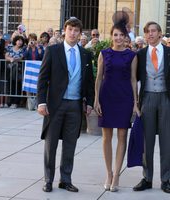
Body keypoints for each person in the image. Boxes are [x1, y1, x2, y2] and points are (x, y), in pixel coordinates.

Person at [37, 17, 94, 193]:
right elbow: (43, 78)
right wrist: (41, 102)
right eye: (70, 29)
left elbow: (89, 81)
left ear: (80, 33)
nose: (73, 33)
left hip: (75, 105)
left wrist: (90, 102)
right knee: (51, 144)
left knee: (70, 144)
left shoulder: (85, 54)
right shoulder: (53, 51)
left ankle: (66, 179)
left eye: (76, 30)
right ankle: (48, 180)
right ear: (65, 30)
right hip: (56, 105)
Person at [94, 20, 139, 192]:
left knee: (122, 136)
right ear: (111, 36)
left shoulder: (131, 55)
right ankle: (109, 173)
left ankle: (117, 175)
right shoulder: (104, 53)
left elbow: (133, 80)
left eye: (121, 35)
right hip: (107, 96)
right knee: (106, 137)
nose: (118, 38)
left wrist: (135, 103)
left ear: (126, 37)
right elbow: (99, 78)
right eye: (115, 35)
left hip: (124, 97)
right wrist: (96, 100)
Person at [133, 21, 170, 194]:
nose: (150, 34)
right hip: (147, 97)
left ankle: (166, 179)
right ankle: (147, 178)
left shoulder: (169, 52)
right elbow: (133, 79)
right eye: (147, 31)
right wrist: (136, 103)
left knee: (166, 140)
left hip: (166, 98)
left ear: (160, 33)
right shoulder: (140, 54)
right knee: (147, 140)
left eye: (153, 31)